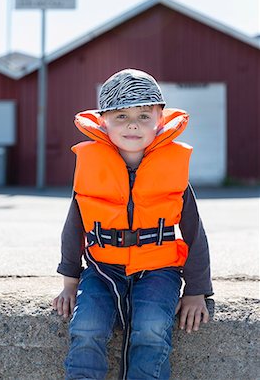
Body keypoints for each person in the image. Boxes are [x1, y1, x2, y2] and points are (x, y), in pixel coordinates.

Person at [52, 68, 213, 380]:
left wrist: (196, 291)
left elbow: (195, 233)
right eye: (121, 116)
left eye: (143, 115)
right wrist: (70, 281)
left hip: (158, 270)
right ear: (103, 122)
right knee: (86, 327)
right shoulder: (91, 170)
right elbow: (74, 227)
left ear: (160, 120)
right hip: (102, 270)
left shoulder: (173, 173)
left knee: (152, 328)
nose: (133, 125)